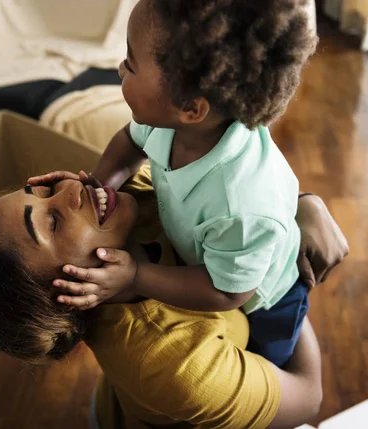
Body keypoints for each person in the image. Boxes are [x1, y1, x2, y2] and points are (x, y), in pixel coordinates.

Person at [28, 0, 320, 367]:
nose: (120, 68)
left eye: (131, 65)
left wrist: (136, 276)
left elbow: (226, 289)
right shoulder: (172, 122)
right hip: (216, 254)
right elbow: (129, 141)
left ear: (191, 108)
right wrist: (101, 184)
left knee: (265, 359)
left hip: (266, 297)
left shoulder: (241, 204)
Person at [0, 166, 348, 428]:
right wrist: (285, 276)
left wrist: (301, 205)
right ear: (67, 296)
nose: (71, 189)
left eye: (43, 189)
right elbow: (308, 396)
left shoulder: (133, 199)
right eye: (51, 220)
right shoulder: (176, 368)